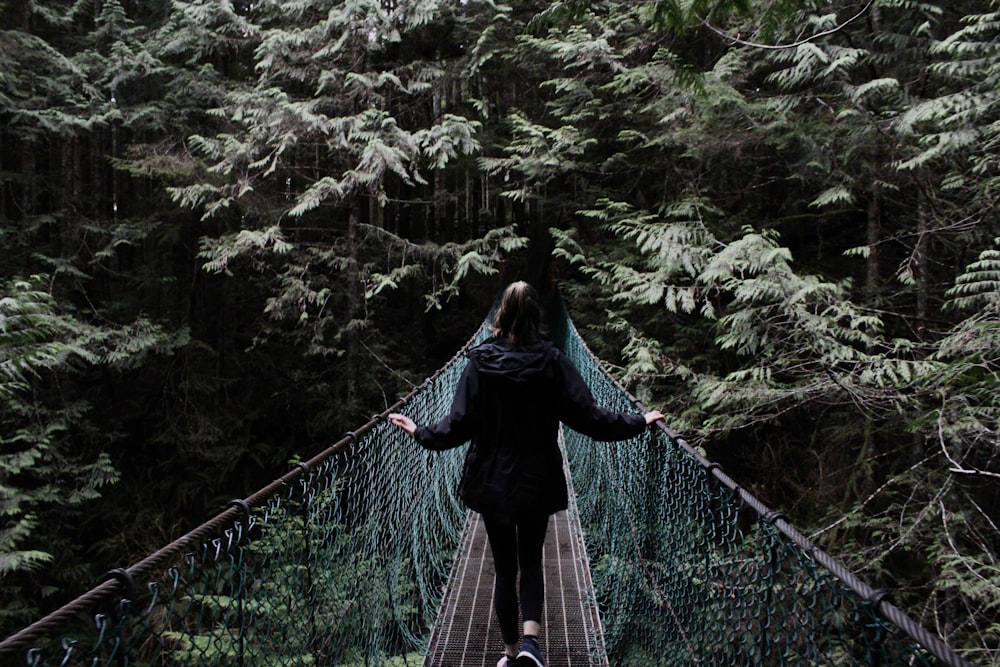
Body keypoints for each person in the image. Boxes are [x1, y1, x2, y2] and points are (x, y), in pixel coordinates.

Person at [388, 281, 664, 667]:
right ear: (538, 316)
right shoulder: (552, 363)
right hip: (537, 478)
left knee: (505, 567)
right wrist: (639, 421)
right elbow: (590, 418)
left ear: (499, 315)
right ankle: (532, 648)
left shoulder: (479, 363)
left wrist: (419, 432)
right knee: (531, 560)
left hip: (491, 480)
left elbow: (458, 425)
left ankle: (510, 652)